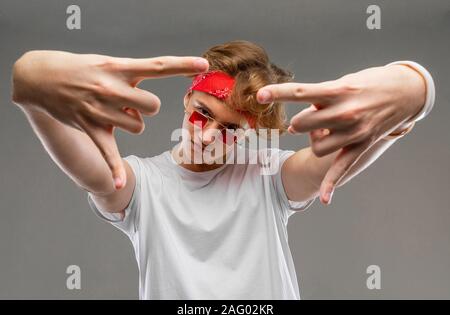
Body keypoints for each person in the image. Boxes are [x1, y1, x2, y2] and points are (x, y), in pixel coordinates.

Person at [11, 40, 435, 299]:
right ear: (186, 101)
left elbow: (360, 136)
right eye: (201, 114)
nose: (208, 135)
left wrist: (416, 87)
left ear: (252, 136)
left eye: (231, 129)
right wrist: (30, 79)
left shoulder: (268, 174)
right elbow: (90, 171)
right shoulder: (144, 185)